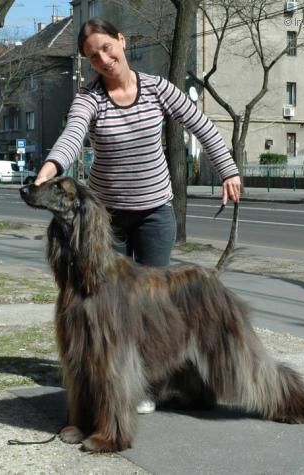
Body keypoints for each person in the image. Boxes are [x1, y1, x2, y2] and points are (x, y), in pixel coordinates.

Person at [35, 17, 241, 414]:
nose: (103, 59)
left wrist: (228, 170)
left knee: (150, 310)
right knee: (108, 310)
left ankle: (148, 383)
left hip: (154, 213)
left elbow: (202, 126)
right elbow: (72, 136)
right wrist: (50, 169)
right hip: (105, 222)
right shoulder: (89, 98)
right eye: (93, 56)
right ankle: (107, 382)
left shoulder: (158, 88)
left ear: (121, 41)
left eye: (106, 48)